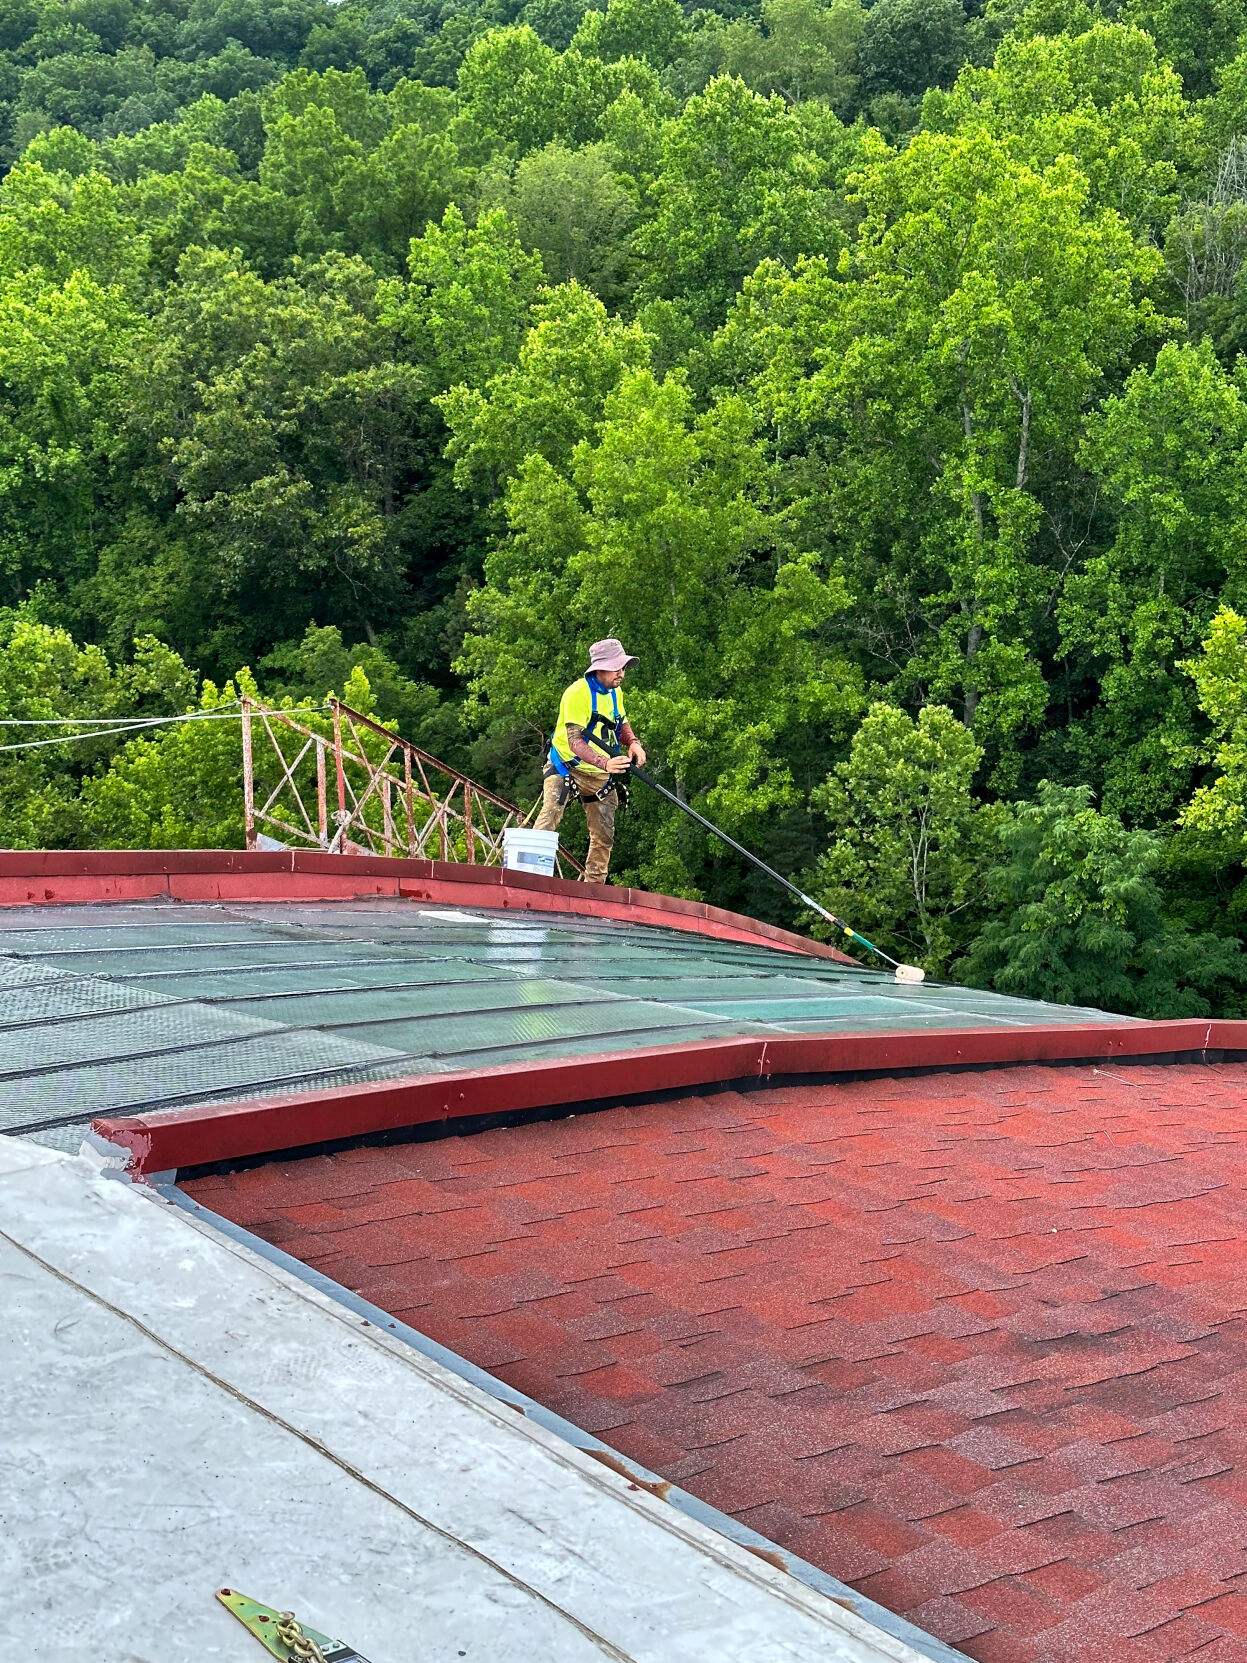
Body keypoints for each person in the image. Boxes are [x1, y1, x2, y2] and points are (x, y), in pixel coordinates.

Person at [535, 637, 646, 884]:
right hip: (566, 767)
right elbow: (575, 740)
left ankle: (594, 890)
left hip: (599, 775)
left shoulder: (615, 692)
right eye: (616, 668)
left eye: (623, 667)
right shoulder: (577, 694)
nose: (621, 673)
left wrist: (633, 743)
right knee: (548, 818)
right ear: (599, 668)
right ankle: (528, 878)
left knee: (604, 835)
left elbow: (621, 723)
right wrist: (606, 763)